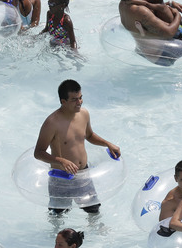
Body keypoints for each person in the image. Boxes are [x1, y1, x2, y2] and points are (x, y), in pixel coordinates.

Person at [34, 79, 120, 215]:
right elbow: (38, 152)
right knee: (58, 215)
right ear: (63, 101)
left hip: (83, 174)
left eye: (80, 98)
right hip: (61, 177)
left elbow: (89, 135)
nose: (79, 102)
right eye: (74, 99)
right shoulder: (52, 123)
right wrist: (61, 161)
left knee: (94, 211)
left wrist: (108, 144)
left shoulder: (84, 114)